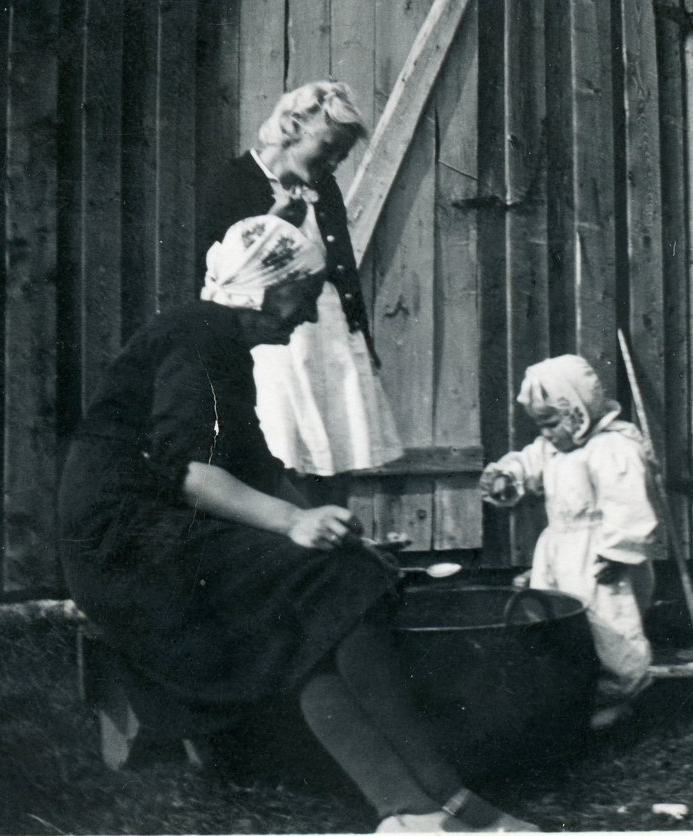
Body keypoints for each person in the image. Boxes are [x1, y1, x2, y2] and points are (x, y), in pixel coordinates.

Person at [58, 214, 536, 833]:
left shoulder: (218, 342)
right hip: (126, 544)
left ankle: (412, 812)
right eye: (304, 298)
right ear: (265, 287)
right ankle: (443, 798)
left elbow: (252, 465)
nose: (308, 316)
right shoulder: (201, 335)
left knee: (319, 603)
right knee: (332, 582)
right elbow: (194, 475)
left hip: (145, 531)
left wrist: (318, 519)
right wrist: (292, 523)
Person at [196, 80, 402, 492]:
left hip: (327, 338)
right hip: (272, 342)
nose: (335, 160)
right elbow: (220, 277)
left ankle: (331, 547)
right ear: (292, 127)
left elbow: (342, 268)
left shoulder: (323, 188)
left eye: (342, 154)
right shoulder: (233, 182)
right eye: (328, 147)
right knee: (281, 456)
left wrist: (360, 334)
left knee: (335, 459)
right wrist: (274, 221)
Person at [480, 355, 660, 730]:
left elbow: (626, 503)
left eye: (551, 423)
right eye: (540, 426)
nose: (545, 433)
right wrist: (506, 476)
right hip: (559, 552)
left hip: (597, 555)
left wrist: (617, 552)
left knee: (608, 624)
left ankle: (622, 693)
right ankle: (572, 689)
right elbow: (527, 462)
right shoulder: (552, 448)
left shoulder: (612, 448)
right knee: (557, 620)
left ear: (578, 410)